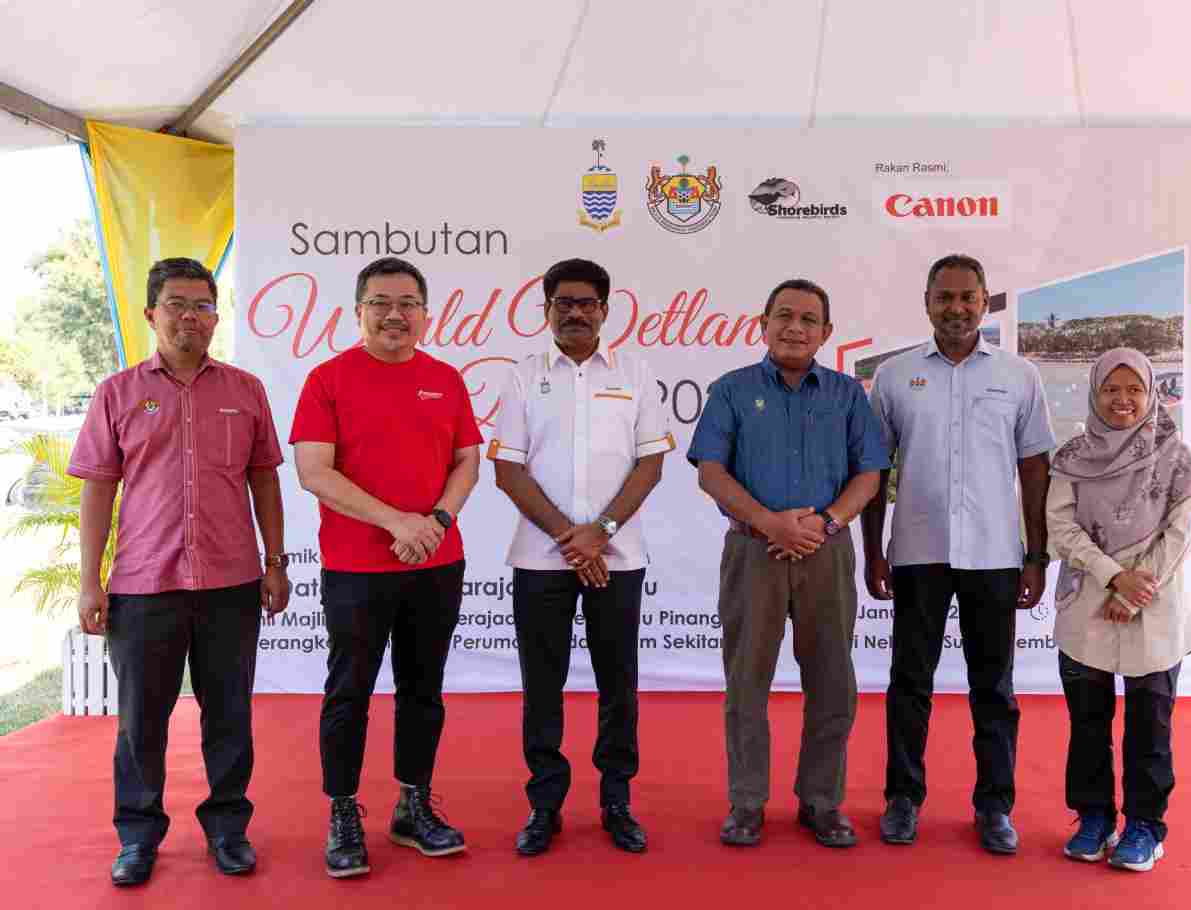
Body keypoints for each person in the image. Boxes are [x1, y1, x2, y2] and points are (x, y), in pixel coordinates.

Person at [69, 257, 289, 886]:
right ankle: (138, 834)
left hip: (230, 584)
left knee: (229, 713)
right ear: (151, 313)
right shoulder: (117, 392)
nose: (190, 316)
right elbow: (97, 491)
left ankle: (227, 828)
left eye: (203, 305)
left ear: (216, 315)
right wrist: (91, 579)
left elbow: (264, 479)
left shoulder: (245, 390)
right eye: (177, 304)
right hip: (143, 586)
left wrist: (275, 562)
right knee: (141, 718)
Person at [290, 256, 482, 878]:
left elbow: (467, 462)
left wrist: (437, 524)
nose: (394, 314)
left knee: (423, 690)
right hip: (356, 568)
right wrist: (398, 523)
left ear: (425, 314)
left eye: (407, 303)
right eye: (380, 302)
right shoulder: (327, 379)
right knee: (349, 692)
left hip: (436, 562)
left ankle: (412, 805)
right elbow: (314, 471)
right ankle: (344, 811)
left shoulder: (446, 379)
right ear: (358, 311)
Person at [863, 254, 1055, 854]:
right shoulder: (893, 377)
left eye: (967, 297)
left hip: (996, 555)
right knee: (909, 682)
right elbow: (874, 470)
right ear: (927, 303)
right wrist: (873, 551)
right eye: (944, 297)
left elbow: (1035, 469)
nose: (956, 308)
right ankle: (902, 799)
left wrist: (1036, 556)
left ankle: (995, 806)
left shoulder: (1020, 376)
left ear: (985, 301)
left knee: (994, 688)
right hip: (918, 551)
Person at [689, 278, 890, 849]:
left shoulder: (849, 395)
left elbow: (870, 475)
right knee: (746, 681)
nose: (795, 327)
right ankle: (747, 801)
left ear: (826, 333)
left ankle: (821, 801)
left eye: (808, 319)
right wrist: (768, 522)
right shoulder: (731, 390)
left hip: (827, 551)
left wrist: (824, 524)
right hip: (753, 551)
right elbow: (710, 471)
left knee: (832, 681)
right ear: (763, 323)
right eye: (784, 315)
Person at [490, 258, 672, 856]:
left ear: (604, 309)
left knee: (618, 683)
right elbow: (507, 469)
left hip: (618, 559)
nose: (574, 312)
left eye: (586, 303)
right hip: (540, 561)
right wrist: (575, 538)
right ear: (545, 310)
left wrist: (603, 532)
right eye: (562, 303)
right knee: (542, 684)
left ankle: (616, 798)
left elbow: (651, 464)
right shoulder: (520, 377)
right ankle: (545, 803)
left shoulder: (637, 374)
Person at [1048, 348, 1191, 872]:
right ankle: (1094, 817)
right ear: (1095, 393)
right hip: (1089, 603)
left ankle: (1145, 825)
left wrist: (1137, 587)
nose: (1123, 400)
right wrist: (1113, 577)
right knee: (1088, 723)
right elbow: (1061, 526)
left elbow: (1181, 531)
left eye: (1133, 389)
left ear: (1150, 394)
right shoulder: (1073, 455)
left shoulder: (1178, 456)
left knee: (1150, 724)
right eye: (1111, 389)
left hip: (1154, 605)